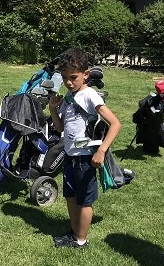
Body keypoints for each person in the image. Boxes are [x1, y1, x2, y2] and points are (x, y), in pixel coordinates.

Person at [48, 48, 121, 248]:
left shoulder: (90, 96)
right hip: (70, 156)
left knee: (84, 201)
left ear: (86, 74)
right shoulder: (69, 97)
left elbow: (115, 124)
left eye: (73, 77)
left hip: (85, 159)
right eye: (64, 78)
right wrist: (53, 109)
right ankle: (74, 232)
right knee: (71, 196)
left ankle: (81, 240)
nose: (69, 82)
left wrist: (101, 150)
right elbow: (60, 127)